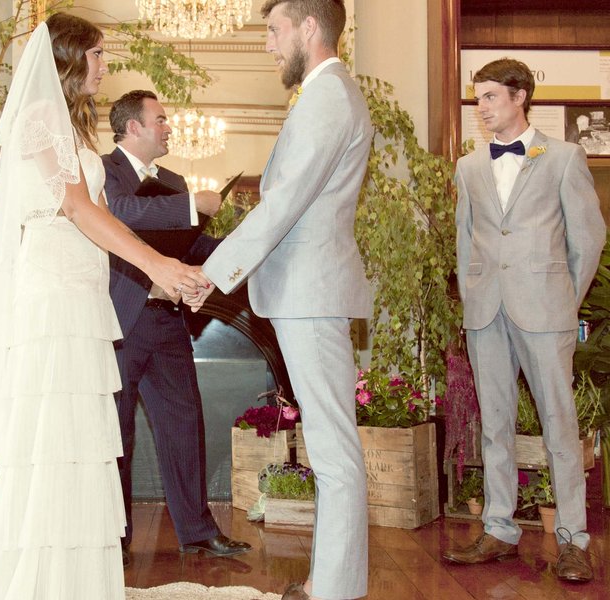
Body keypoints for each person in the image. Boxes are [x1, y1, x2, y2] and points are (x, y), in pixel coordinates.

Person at [0, 13, 209, 599]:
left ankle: (73, 582)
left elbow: (105, 221)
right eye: (97, 54)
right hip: (54, 301)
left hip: (81, 294)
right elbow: (76, 208)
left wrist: (169, 277)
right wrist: (156, 265)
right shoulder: (41, 118)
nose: (104, 64)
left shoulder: (71, 129)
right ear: (68, 59)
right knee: (54, 442)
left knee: (79, 443)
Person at [184, 1, 372, 598]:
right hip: (305, 293)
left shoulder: (328, 97)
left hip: (311, 295)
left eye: (273, 30)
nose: (266, 44)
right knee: (328, 443)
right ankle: (328, 583)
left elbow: (283, 205)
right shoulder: (325, 95)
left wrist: (207, 274)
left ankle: (334, 592)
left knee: (334, 450)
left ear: (309, 28)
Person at [444, 58, 606, 583]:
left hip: (545, 309)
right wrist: (472, 295)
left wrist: (563, 298)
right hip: (486, 311)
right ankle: (498, 529)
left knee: (560, 424)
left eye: (490, 96)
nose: (482, 106)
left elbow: (588, 239)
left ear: (520, 97)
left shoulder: (564, 157)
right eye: (478, 97)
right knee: (494, 425)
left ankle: (573, 540)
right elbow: (465, 240)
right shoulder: (469, 167)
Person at [101, 90, 249, 567]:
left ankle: (197, 532)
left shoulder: (173, 179)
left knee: (185, 424)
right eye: (160, 120)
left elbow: (193, 244)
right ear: (133, 127)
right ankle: (114, 537)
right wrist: (190, 205)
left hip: (167, 322)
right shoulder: (103, 171)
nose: (168, 128)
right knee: (115, 432)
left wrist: (246, 244)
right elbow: (119, 214)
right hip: (119, 320)